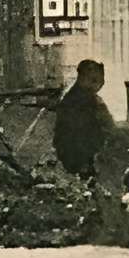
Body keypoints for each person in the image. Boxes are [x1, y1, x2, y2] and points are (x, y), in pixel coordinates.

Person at [52, 57, 116, 188]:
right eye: (94, 81)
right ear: (84, 78)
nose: (98, 86)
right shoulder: (77, 101)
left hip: (80, 153)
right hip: (78, 156)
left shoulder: (85, 97)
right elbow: (77, 135)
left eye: (100, 82)